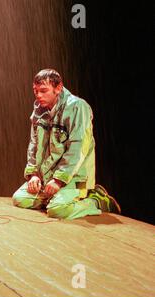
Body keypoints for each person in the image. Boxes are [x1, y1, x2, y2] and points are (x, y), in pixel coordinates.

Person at [12, 69, 121, 220]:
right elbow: (34, 144)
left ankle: (96, 200)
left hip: (73, 176)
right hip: (47, 175)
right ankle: (55, 198)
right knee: (20, 198)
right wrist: (34, 175)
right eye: (35, 91)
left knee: (58, 211)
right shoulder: (39, 109)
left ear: (58, 88)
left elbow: (78, 147)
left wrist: (59, 180)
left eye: (43, 91)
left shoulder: (77, 107)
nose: (38, 95)